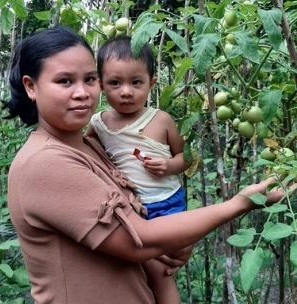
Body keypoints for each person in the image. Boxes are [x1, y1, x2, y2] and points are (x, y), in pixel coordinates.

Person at [6, 26, 296, 304]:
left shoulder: (91, 146)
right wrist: (241, 203)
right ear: (31, 87)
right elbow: (138, 241)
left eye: (90, 79)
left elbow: (142, 217)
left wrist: (174, 237)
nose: (82, 92)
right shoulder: (44, 163)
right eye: (65, 81)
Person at [86, 36, 190, 304]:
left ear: (152, 83)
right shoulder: (98, 124)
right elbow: (83, 150)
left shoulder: (161, 120)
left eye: (136, 83)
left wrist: (169, 165)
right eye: (115, 83)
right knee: (139, 271)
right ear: (100, 85)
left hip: (167, 202)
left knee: (162, 272)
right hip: (133, 209)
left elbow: (186, 158)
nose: (126, 92)